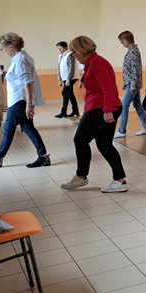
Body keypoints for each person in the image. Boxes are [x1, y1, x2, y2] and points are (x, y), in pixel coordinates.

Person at [60, 35, 127, 193]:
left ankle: (81, 176)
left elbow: (108, 88)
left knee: (80, 140)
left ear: (81, 50)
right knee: (104, 145)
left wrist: (108, 110)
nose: (74, 56)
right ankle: (120, 181)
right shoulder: (91, 63)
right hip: (99, 106)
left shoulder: (96, 62)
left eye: (74, 52)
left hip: (102, 107)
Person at [0, 33, 49, 169]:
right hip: (21, 99)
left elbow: (27, 82)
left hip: (20, 100)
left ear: (10, 47)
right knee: (28, 127)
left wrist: (29, 105)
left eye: (2, 48)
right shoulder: (21, 57)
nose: (2, 51)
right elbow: (20, 77)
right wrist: (7, 73)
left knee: (8, 128)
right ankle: (43, 156)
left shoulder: (20, 60)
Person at [114, 31, 146, 138]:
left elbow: (135, 70)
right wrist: (125, 83)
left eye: (122, 41)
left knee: (124, 105)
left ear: (127, 39)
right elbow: (129, 69)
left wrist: (133, 85)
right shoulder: (131, 51)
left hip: (133, 84)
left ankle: (121, 130)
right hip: (131, 83)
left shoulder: (134, 51)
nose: (122, 43)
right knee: (137, 105)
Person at [56, 41, 79, 118]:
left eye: (60, 48)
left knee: (65, 92)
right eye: (58, 49)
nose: (59, 50)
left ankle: (63, 111)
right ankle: (75, 110)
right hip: (65, 78)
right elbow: (59, 69)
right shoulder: (61, 57)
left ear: (65, 48)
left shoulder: (69, 55)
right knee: (70, 94)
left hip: (71, 78)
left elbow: (71, 68)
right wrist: (60, 80)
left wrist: (69, 79)